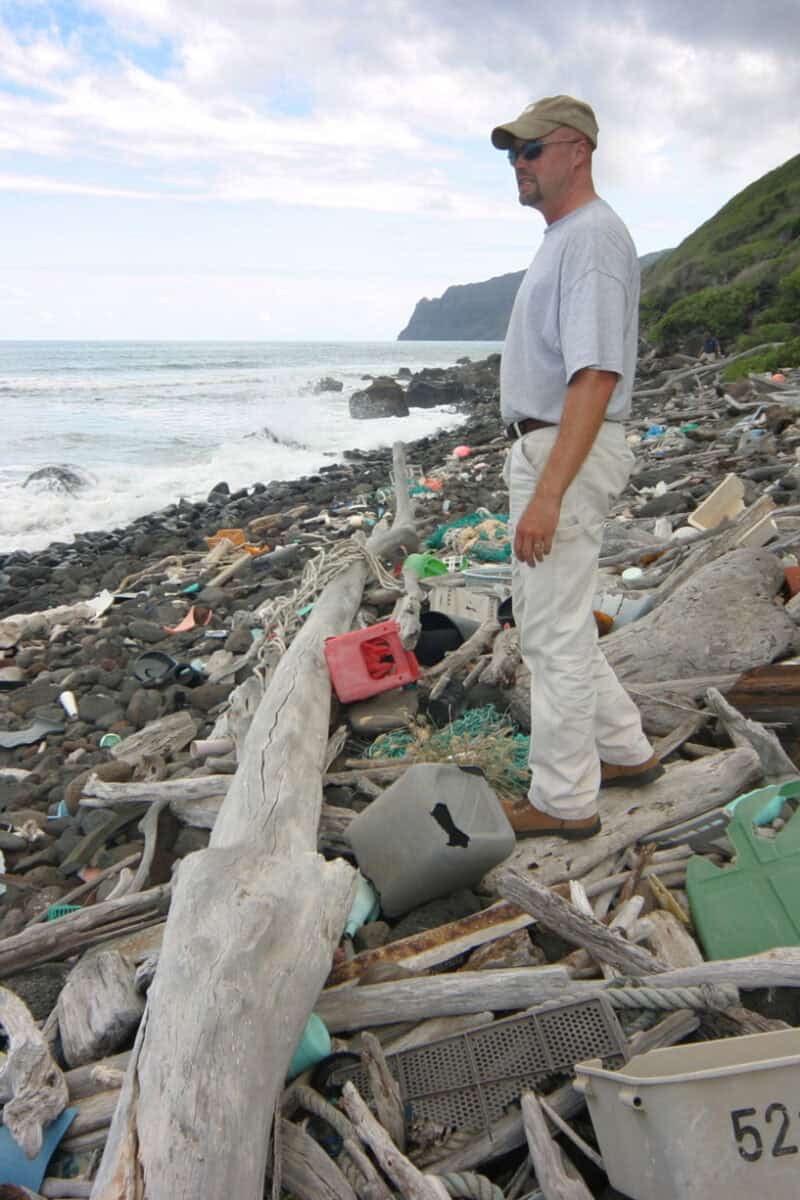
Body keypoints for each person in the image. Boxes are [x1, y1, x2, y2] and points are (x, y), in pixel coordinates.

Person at [491, 94, 663, 840]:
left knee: (552, 635)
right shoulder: (570, 237)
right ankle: (623, 750)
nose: (517, 166)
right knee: (555, 622)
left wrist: (549, 493)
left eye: (529, 151)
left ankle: (564, 800)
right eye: (512, 155)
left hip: (565, 447)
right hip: (554, 444)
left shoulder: (591, 237)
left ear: (575, 150)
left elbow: (595, 375)